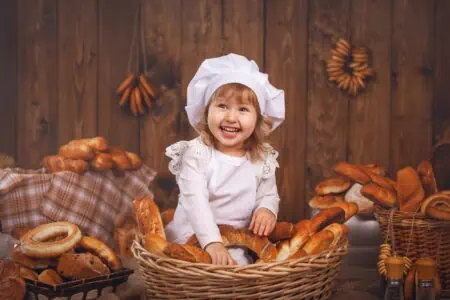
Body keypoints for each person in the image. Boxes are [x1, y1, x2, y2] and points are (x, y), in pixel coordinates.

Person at [164, 53, 285, 265]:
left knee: (239, 269)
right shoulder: (197, 154)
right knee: (202, 269)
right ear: (206, 111)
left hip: (238, 240)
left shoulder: (260, 159)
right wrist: (212, 242)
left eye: (243, 110)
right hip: (194, 237)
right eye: (222, 106)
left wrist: (267, 209)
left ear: (258, 120)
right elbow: (195, 202)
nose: (231, 117)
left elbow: (268, 194)